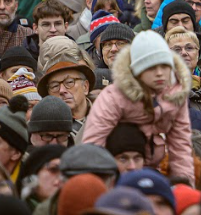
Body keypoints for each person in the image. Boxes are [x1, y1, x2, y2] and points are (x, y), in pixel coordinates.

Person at [81, 31, 193, 182]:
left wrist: (184, 187)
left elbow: (181, 146)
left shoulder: (176, 94)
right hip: (116, 170)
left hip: (154, 168)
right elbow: (93, 147)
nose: (160, 73)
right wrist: (100, 186)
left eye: (165, 66)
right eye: (151, 68)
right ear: (137, 71)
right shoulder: (114, 97)